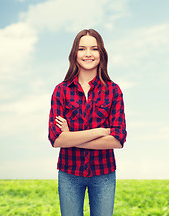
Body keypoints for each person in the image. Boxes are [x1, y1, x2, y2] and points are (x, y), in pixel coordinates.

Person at [48, 29, 127, 216]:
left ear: (102, 54)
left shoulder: (113, 91)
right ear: (75, 54)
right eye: (82, 49)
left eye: (94, 48)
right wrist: (101, 131)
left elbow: (117, 140)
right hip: (69, 173)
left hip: (104, 173)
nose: (88, 54)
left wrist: (71, 137)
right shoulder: (61, 90)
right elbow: (56, 140)